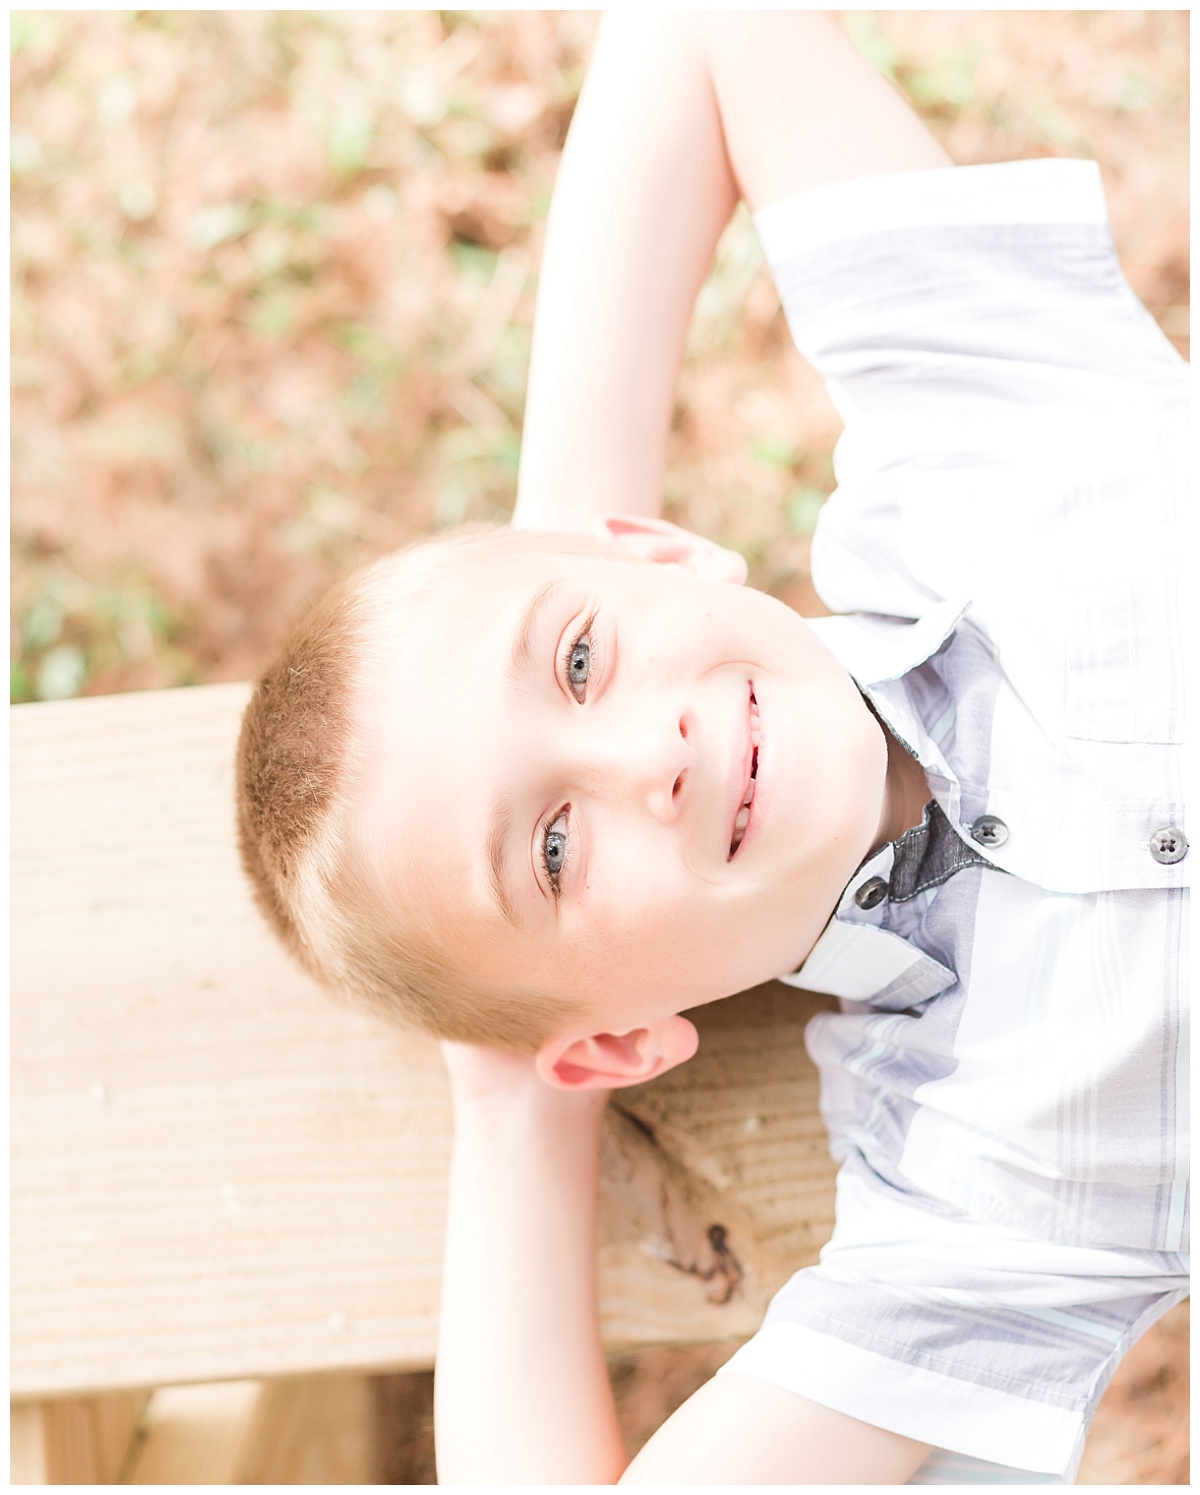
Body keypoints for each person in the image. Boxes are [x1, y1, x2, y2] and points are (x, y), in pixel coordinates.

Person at [235, 13, 1189, 1484]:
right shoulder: (968, 1207)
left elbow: (699, 33)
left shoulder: (978, 442)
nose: (644, 758)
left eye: (576, 658)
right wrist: (509, 1096)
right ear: (618, 1038)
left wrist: (574, 543)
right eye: (551, 849)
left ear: (666, 555)